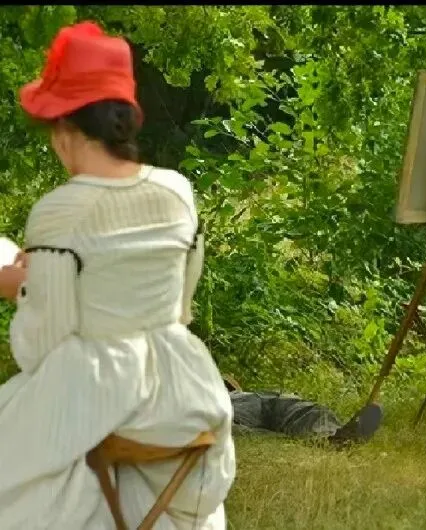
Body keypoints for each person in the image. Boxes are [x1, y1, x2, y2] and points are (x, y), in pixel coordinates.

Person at [0, 21, 235, 528]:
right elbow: (180, 307)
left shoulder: (60, 211)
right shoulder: (177, 191)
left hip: (96, 388)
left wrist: (20, 285)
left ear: (64, 129)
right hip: (181, 389)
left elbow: (42, 343)